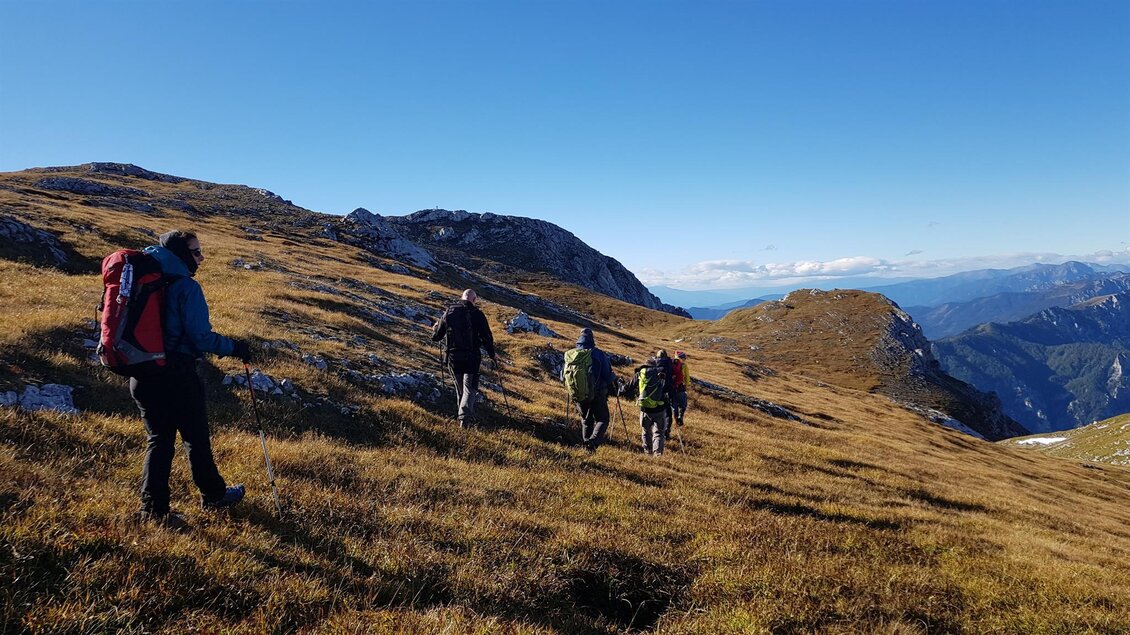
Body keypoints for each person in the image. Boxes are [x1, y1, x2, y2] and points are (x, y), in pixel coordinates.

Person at [133, 230, 249, 526]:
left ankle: (153, 511)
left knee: (158, 440)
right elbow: (200, 338)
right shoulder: (186, 287)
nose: (202, 257)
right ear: (183, 255)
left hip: (142, 372)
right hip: (177, 375)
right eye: (196, 252)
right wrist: (236, 347)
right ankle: (214, 496)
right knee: (196, 438)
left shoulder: (142, 278)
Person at [431, 289, 496, 428]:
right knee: (470, 389)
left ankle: (461, 419)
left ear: (462, 298)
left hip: (453, 357)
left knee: (460, 388)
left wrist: (435, 329)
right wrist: (492, 355)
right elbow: (486, 337)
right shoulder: (478, 314)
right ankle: (464, 421)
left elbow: (437, 336)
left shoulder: (449, 312)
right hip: (472, 358)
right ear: (473, 300)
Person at [562, 328, 615, 452]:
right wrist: (612, 380)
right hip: (597, 394)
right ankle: (592, 442)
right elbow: (607, 375)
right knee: (602, 419)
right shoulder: (597, 354)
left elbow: (562, 376)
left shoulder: (571, 355)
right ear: (592, 338)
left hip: (578, 394)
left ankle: (587, 446)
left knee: (586, 420)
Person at [634, 356, 668, 456]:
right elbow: (667, 388)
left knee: (645, 431)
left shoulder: (641, 373)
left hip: (645, 408)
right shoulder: (660, 374)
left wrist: (620, 389)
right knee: (659, 433)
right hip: (659, 409)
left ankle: (647, 452)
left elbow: (629, 386)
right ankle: (657, 454)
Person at [653, 350, 678, 440]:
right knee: (668, 414)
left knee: (654, 413)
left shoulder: (654, 363)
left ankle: (654, 432)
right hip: (666, 392)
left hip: (654, 393)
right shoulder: (669, 364)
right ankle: (666, 432)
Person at [671, 350, 692, 426]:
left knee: (674, 405)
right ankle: (680, 417)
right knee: (683, 404)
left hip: (672, 388)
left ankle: (676, 419)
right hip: (680, 388)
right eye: (684, 358)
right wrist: (687, 385)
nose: (684, 359)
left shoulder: (671, 364)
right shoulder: (684, 366)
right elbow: (687, 378)